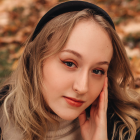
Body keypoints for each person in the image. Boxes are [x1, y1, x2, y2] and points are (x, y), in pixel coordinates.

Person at [0, 1, 140, 140]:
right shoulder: (3, 121)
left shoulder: (129, 131)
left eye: (97, 71)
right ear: (36, 58)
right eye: (69, 63)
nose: (82, 87)